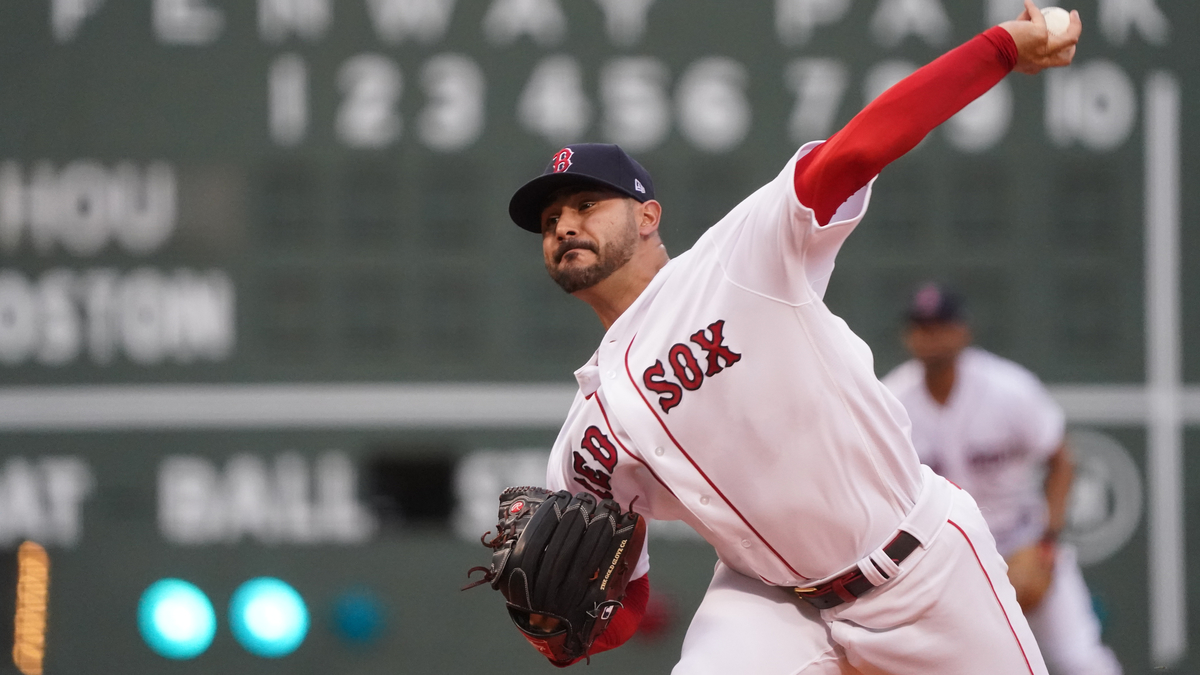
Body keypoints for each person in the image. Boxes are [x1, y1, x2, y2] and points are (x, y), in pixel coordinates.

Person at [504, 3, 1081, 673]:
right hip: (771, 601)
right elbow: (620, 603)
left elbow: (862, 147)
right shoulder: (585, 436)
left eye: (585, 205)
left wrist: (1000, 48)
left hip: (921, 566)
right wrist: (553, 631)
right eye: (550, 219)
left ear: (647, 217)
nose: (564, 225)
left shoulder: (739, 256)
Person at [882, 283, 1123, 675]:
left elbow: (1060, 460)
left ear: (963, 330)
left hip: (1020, 540)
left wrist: (1046, 545)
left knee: (1079, 659)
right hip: (947, 561)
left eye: (941, 324)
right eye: (921, 326)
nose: (931, 336)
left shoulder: (1008, 388)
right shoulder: (892, 401)